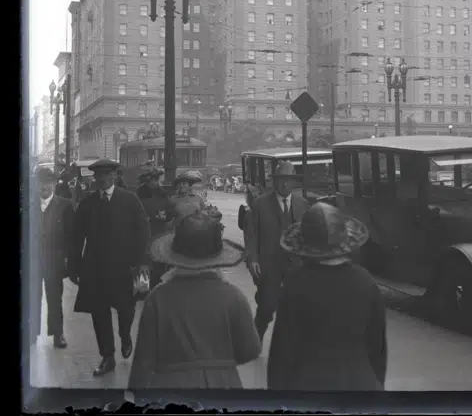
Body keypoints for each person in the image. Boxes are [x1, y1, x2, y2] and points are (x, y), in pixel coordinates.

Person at [128, 210, 261, 389]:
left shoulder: (157, 299)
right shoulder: (234, 297)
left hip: (170, 388)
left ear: (174, 255)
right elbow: (250, 350)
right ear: (217, 257)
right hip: (224, 385)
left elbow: (144, 360)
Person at [268, 202, 388, 390]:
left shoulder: (295, 285)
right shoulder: (365, 281)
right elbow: (377, 347)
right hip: (360, 382)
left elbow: (283, 351)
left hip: (308, 384)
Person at [68, 159, 152, 377]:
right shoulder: (87, 204)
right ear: (94, 178)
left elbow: (143, 232)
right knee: (99, 313)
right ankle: (107, 356)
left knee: (127, 308)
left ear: (115, 176)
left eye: (107, 175)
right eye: (99, 176)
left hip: (125, 268)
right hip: (94, 269)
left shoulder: (130, 200)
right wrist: (74, 266)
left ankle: (125, 335)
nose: (103, 179)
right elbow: (76, 237)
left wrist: (143, 262)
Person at [246, 161, 309, 341]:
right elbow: (251, 235)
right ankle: (254, 344)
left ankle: (292, 347)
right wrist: (253, 259)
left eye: (288, 180)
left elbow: (309, 236)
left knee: (295, 311)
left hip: (295, 267)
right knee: (266, 308)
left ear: (294, 182)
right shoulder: (260, 205)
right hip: (269, 266)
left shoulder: (303, 205)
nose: (284, 184)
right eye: (281, 180)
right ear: (274, 182)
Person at [32, 167, 75, 349]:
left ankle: (58, 334)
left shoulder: (65, 206)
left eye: (48, 183)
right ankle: (31, 333)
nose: (44, 187)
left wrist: (68, 259)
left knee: (55, 298)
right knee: (32, 297)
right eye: (41, 182)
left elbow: (71, 236)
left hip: (54, 262)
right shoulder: (27, 205)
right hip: (32, 262)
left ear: (54, 184)